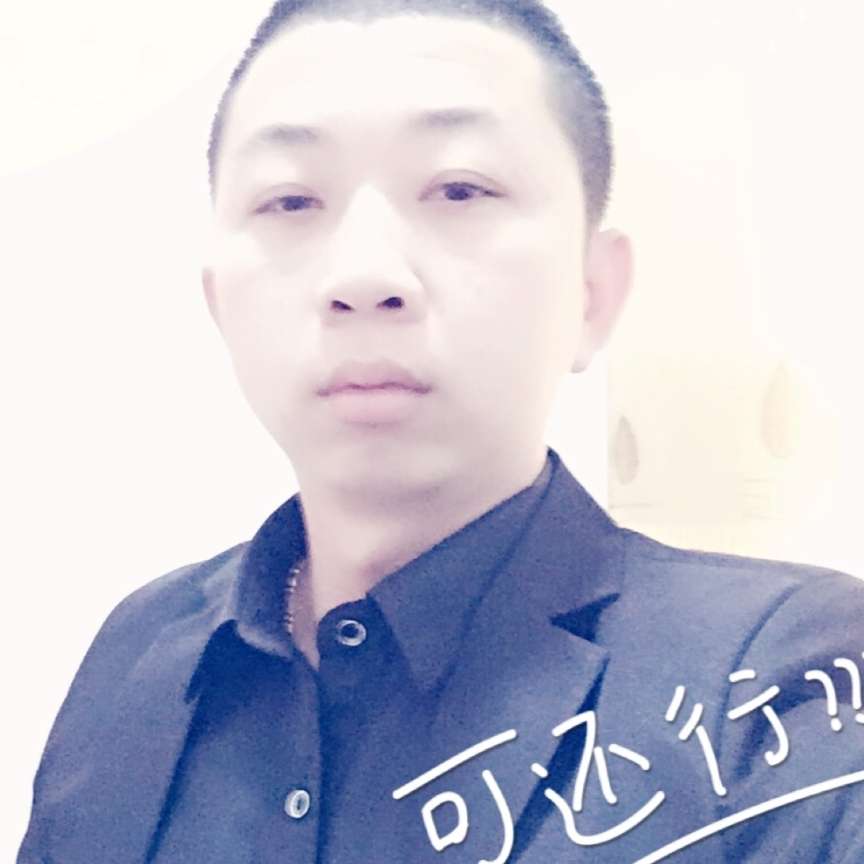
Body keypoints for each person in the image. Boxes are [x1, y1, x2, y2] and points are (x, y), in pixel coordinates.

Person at [17, 1, 864, 862]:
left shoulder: (784, 680)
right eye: (291, 199)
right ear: (219, 303)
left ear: (592, 294)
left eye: (461, 190)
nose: (364, 275)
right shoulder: (137, 656)